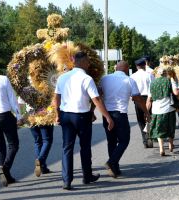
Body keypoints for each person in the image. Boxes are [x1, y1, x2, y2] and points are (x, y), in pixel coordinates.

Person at [54, 51, 114, 190]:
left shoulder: (63, 77)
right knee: (84, 147)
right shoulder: (86, 79)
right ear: (82, 62)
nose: (89, 64)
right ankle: (87, 176)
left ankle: (67, 180)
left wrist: (57, 114)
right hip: (81, 116)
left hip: (66, 115)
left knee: (67, 147)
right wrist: (107, 117)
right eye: (87, 61)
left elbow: (56, 98)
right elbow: (96, 99)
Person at [100, 61, 151, 178]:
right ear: (127, 69)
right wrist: (146, 112)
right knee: (124, 140)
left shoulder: (104, 79)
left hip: (106, 114)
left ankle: (115, 168)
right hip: (120, 114)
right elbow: (137, 98)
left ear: (116, 68)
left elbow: (99, 95)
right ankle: (112, 162)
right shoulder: (130, 80)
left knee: (111, 141)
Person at [146, 67, 179, 156]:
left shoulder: (152, 83)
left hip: (156, 110)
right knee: (170, 127)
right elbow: (176, 93)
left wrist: (146, 112)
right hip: (169, 109)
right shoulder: (169, 80)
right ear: (166, 73)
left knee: (159, 129)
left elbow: (149, 99)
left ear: (157, 74)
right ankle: (171, 145)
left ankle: (161, 148)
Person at [18, 97, 53, 177]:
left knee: (37, 141)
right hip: (44, 114)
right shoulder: (46, 84)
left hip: (31, 115)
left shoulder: (26, 86)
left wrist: (20, 117)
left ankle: (42, 167)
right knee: (47, 140)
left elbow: (20, 103)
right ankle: (40, 161)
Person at [130, 58, 154, 148]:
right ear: (144, 65)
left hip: (137, 98)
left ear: (137, 66)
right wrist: (150, 99)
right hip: (148, 97)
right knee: (149, 118)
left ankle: (145, 140)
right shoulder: (150, 75)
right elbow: (152, 88)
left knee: (140, 120)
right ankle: (150, 136)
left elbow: (131, 91)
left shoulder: (132, 76)